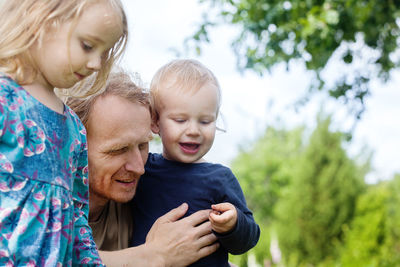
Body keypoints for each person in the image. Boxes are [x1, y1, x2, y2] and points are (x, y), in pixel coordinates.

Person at [0, 0, 127, 265]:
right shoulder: (5, 100)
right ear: (43, 21)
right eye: (88, 46)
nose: (95, 64)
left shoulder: (74, 130)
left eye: (103, 54)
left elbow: (77, 217)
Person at [67, 70, 220, 266]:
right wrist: (154, 256)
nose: (139, 168)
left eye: (143, 145)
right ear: (74, 147)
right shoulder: (47, 201)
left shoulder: (147, 193)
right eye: (118, 150)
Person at [131, 59, 260, 266]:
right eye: (180, 120)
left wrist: (234, 224)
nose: (193, 130)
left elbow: (248, 239)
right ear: (155, 121)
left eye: (205, 121)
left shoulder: (220, 178)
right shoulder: (143, 168)